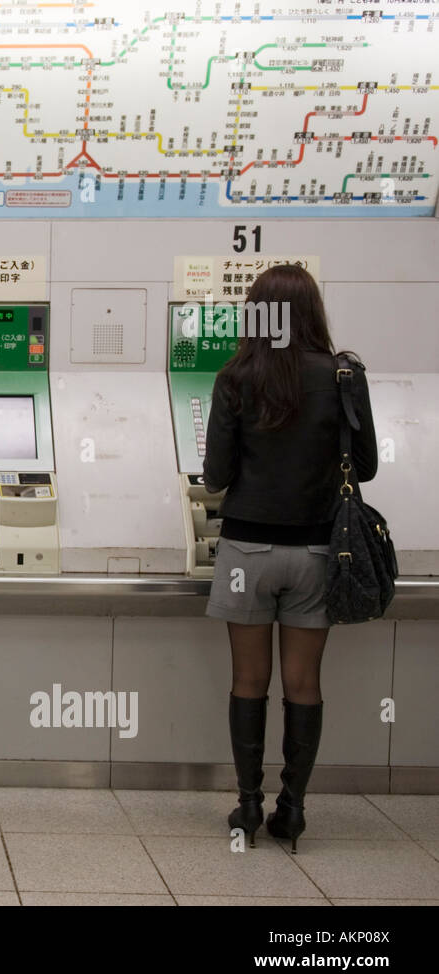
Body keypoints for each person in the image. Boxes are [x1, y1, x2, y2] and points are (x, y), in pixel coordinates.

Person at [203, 264, 377, 852]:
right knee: (304, 683)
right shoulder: (344, 376)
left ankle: (248, 806)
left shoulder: (236, 377)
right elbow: (367, 466)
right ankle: (293, 809)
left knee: (248, 680)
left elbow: (216, 475)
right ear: (313, 311)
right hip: (317, 550)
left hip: (244, 552)